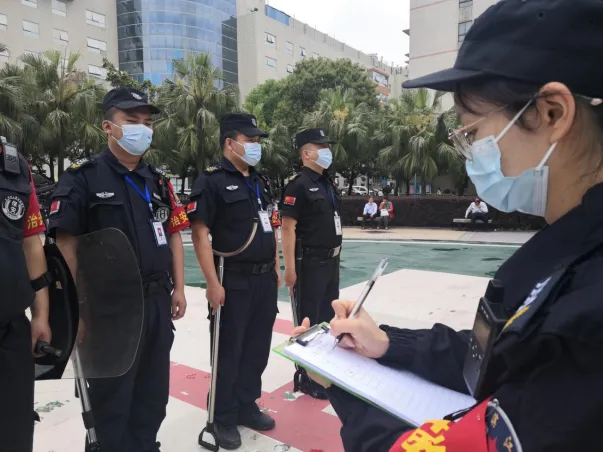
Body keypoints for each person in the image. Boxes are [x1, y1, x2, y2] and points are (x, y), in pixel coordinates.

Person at [293, 0, 603, 450]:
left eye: (472, 133)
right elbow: (496, 357)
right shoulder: (574, 250)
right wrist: (387, 342)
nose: (470, 154)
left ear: (553, 112)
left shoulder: (587, 321)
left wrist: (343, 383)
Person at [47, 87, 189, 452]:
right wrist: (73, 313)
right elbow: (66, 248)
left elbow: (173, 232)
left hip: (156, 303)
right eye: (132, 120)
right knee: (111, 404)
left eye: (147, 122)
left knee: (152, 397)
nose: (143, 128)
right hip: (109, 311)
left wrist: (179, 288)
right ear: (108, 126)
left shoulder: (157, 181)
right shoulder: (82, 178)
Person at [188, 113, 282, 450]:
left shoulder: (260, 181)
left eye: (257, 141)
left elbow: (271, 225)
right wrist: (212, 283)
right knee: (228, 351)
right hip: (233, 279)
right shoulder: (211, 181)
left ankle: (246, 404)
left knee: (257, 348)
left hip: (263, 280)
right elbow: (200, 234)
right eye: (250, 140)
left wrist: (276, 267)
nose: (256, 146)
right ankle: (223, 416)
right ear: (230, 143)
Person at [280, 128, 342, 399]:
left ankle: (323, 371)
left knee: (327, 318)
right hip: (311, 262)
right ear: (306, 153)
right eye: (321, 146)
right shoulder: (298, 184)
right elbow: (288, 228)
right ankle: (307, 377)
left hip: (331, 261)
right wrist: (290, 269)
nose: (327, 151)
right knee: (310, 319)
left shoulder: (327, 182)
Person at [0, 138, 51, 452]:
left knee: (15, 434)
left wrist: (41, 315)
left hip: (10, 331)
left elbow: (31, 243)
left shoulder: (14, 166)